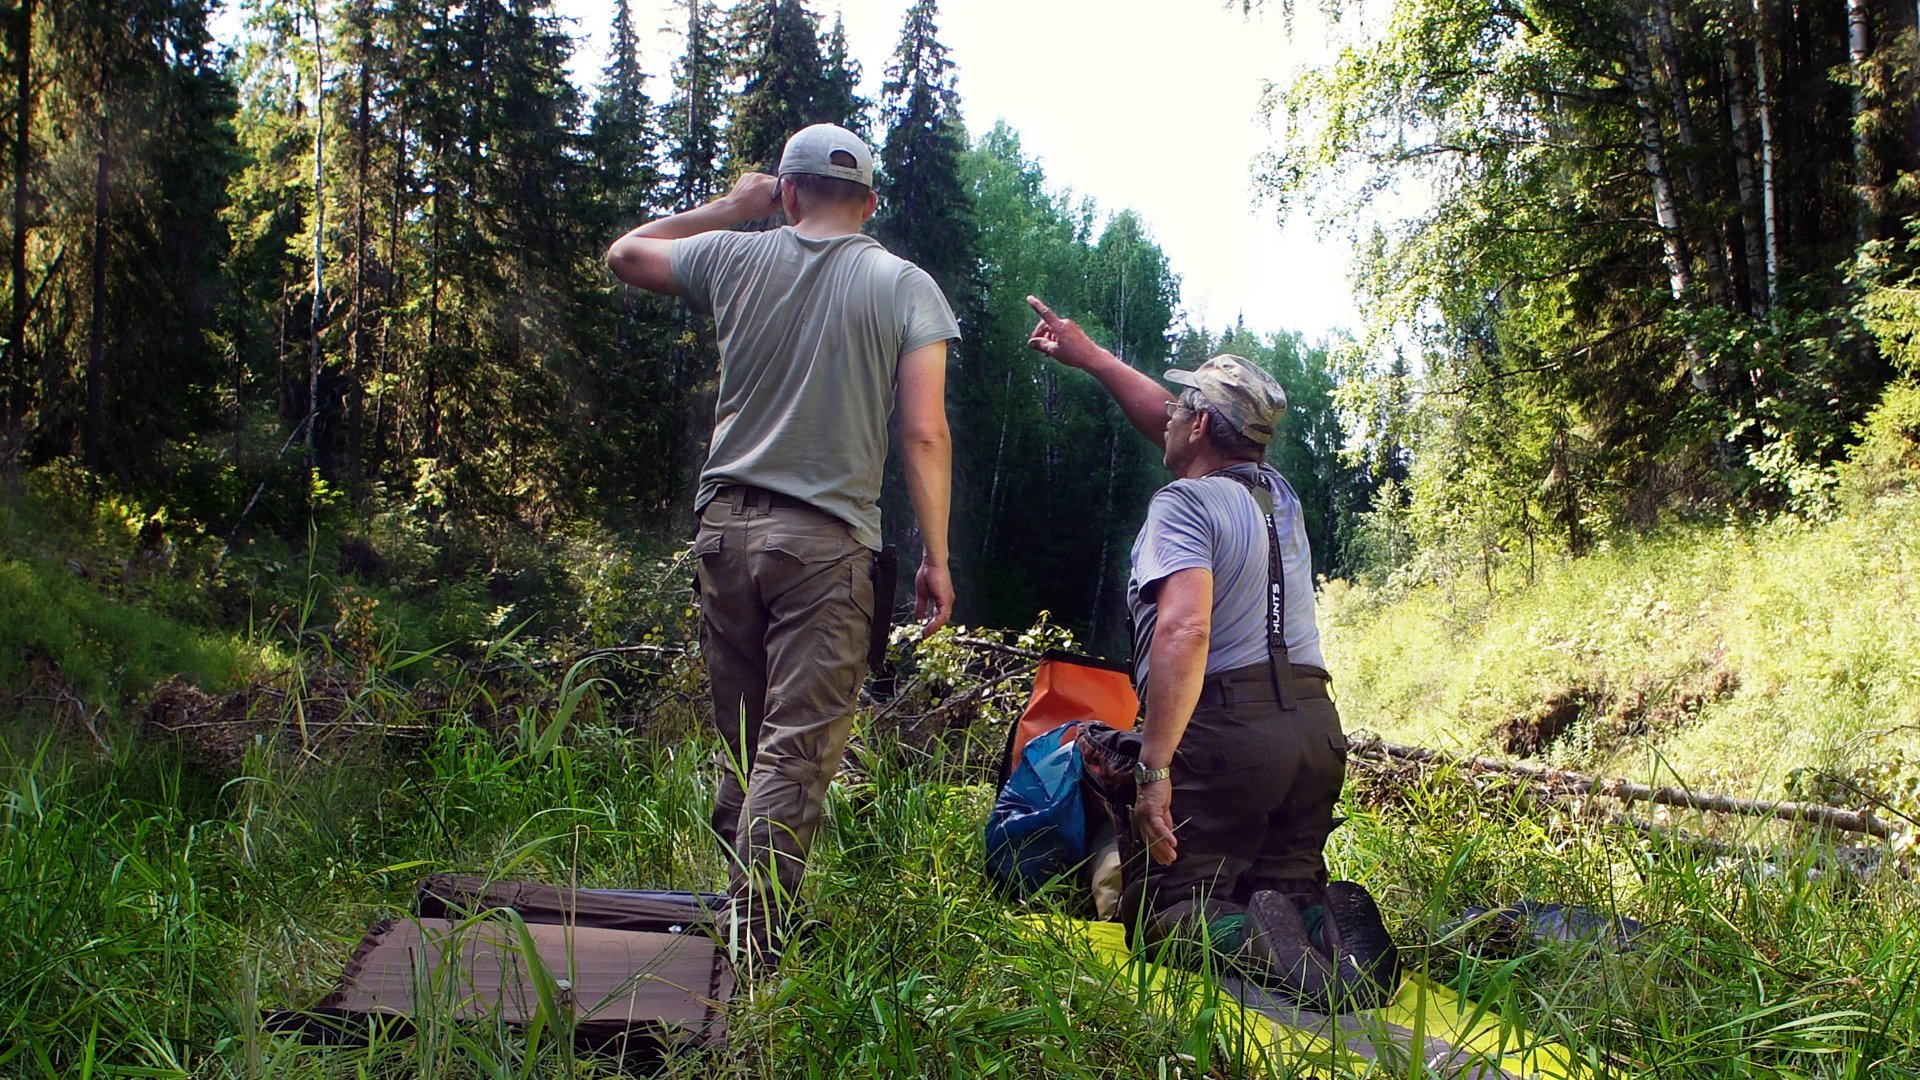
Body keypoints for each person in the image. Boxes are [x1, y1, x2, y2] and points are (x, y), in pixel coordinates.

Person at [606, 124, 960, 970]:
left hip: (724, 534)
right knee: (795, 748)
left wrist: (732, 206)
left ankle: (734, 923)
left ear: (788, 192)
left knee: (746, 738)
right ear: (870, 203)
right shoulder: (904, 285)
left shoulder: (733, 254)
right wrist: (937, 559)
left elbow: (626, 254)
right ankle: (753, 951)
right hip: (825, 546)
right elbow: (922, 432)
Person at [1025, 295, 1389, 1008]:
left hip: (1226, 733)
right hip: (1314, 732)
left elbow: (1185, 630)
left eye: (1180, 408)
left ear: (1200, 424)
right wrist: (1093, 356)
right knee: (1273, 888)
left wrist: (1155, 769)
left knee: (1160, 916)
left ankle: (1257, 941)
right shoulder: (1277, 495)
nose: (1166, 414)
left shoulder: (1183, 506)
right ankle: (1327, 924)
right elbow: (1174, 420)